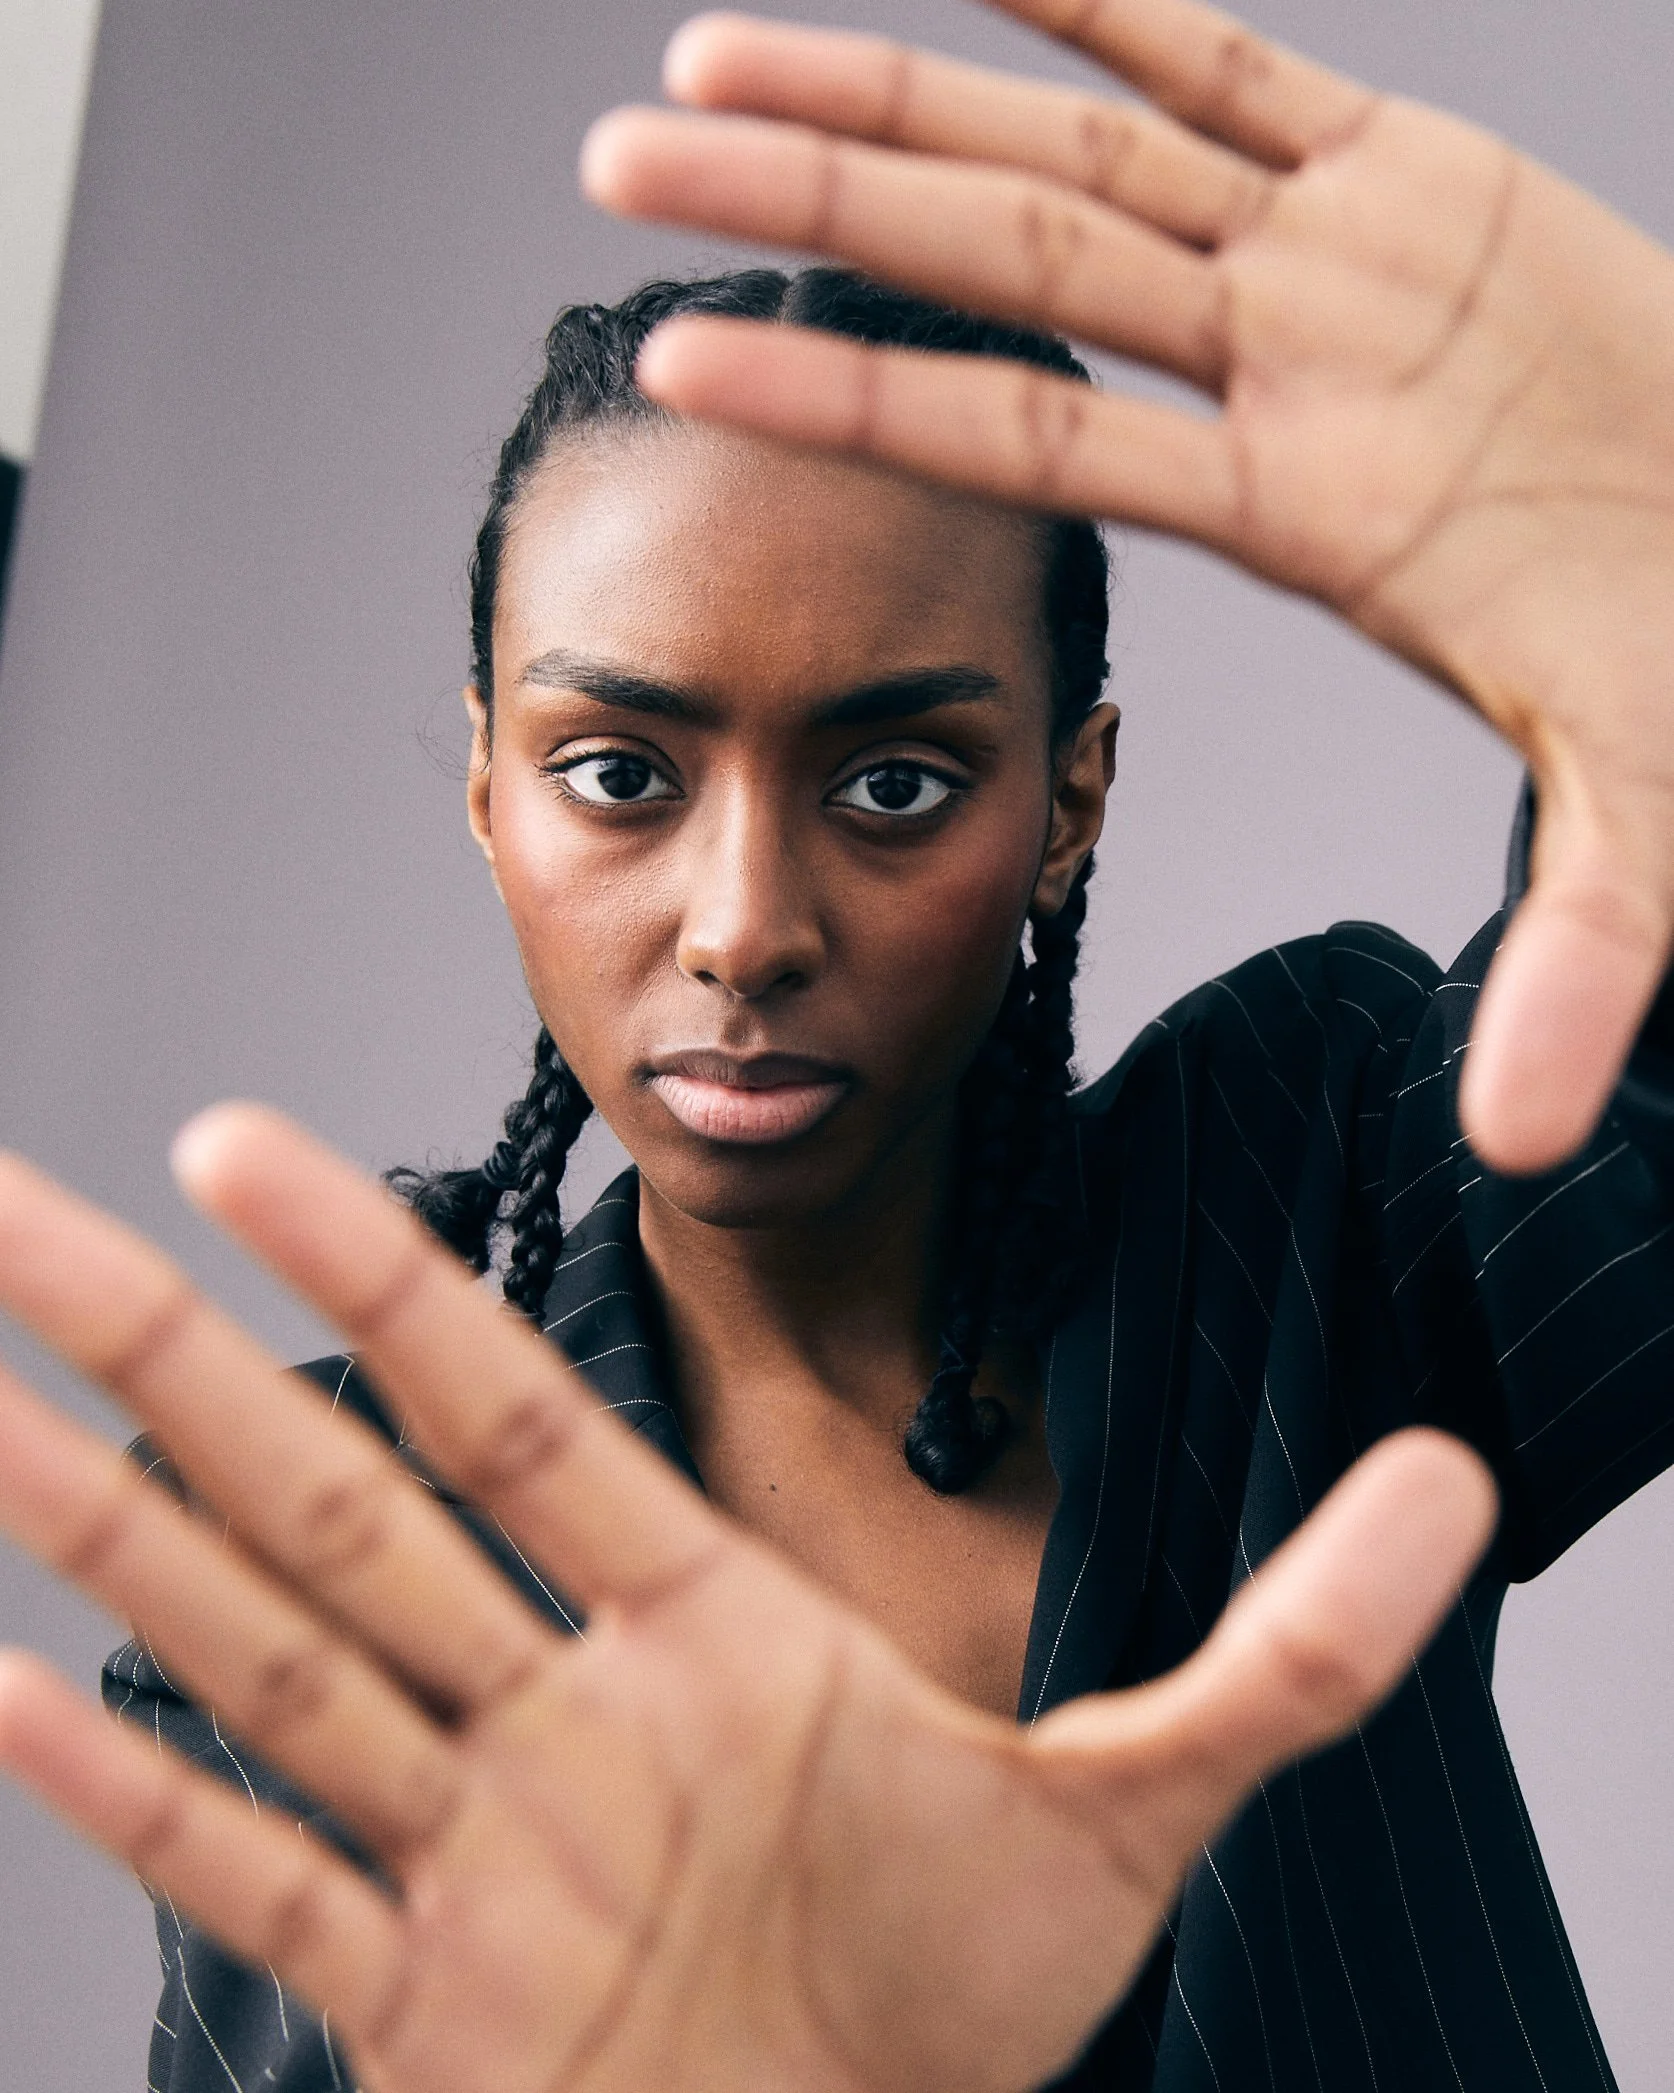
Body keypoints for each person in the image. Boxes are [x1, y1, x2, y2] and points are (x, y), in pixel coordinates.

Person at [0, 0, 1672, 2086]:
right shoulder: (312, 1560)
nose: (745, 927)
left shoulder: (1314, 1178)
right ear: (484, 787)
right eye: (618, 770)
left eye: (893, 783)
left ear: (1068, 798)